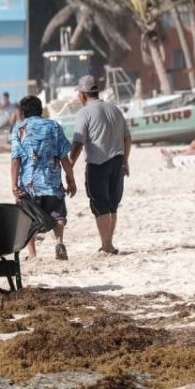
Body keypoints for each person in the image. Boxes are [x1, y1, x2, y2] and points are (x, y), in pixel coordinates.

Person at [69, 75, 131, 255]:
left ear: (83, 94)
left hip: (98, 163)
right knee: (112, 204)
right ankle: (108, 243)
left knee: (100, 204)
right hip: (117, 161)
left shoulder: (84, 113)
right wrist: (126, 160)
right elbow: (127, 138)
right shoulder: (115, 109)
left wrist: (69, 165)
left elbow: (78, 142)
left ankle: (106, 245)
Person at [11, 95, 76, 260]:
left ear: (23, 112)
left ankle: (32, 254)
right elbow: (64, 157)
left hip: (29, 184)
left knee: (28, 219)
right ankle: (59, 242)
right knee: (58, 215)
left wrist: (14, 185)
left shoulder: (19, 128)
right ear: (41, 110)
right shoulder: (54, 126)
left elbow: (15, 159)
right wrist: (71, 179)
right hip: (51, 182)